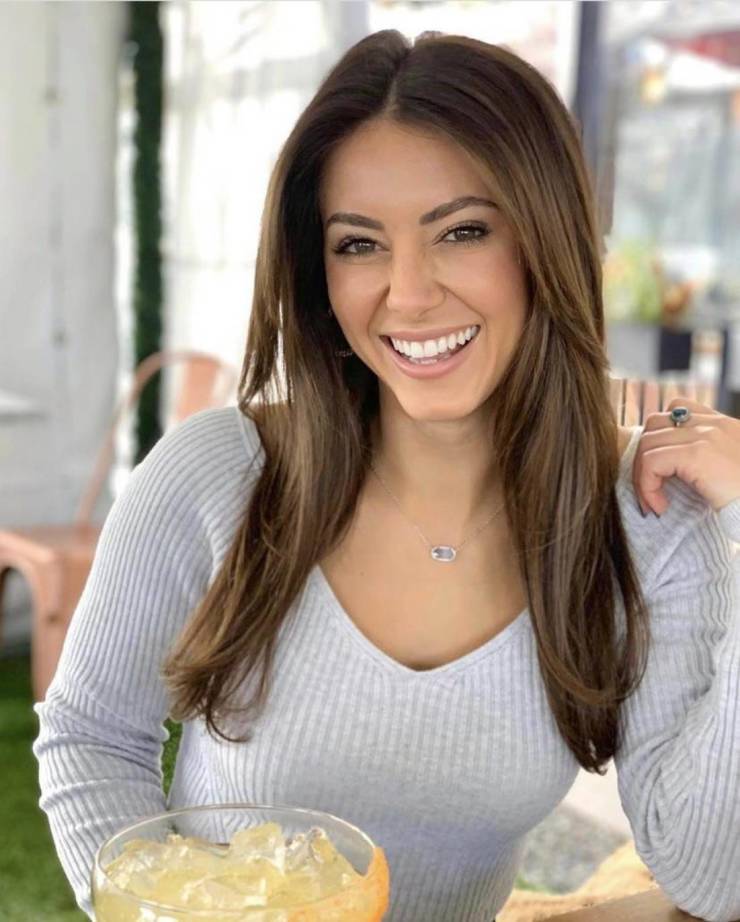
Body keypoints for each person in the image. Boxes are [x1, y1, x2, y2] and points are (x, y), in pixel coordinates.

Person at [34, 29, 740, 922]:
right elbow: (93, 736)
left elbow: (710, 878)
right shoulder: (216, 473)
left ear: (546, 238)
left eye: (463, 231)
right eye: (359, 244)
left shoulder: (648, 515)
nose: (407, 293)